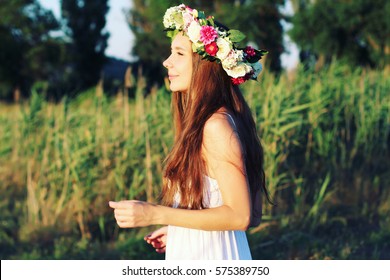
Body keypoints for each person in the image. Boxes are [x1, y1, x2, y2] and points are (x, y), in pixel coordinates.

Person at [109, 4, 271, 260]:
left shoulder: (216, 127)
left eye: (179, 53)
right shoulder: (220, 119)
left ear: (204, 65)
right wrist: (181, 231)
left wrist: (154, 214)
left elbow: (242, 216)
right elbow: (229, 209)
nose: (167, 61)